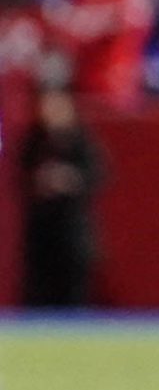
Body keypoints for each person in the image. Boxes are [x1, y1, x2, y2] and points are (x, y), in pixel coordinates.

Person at [20, 84, 104, 307]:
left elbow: (97, 174)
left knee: (73, 290)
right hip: (42, 230)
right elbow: (22, 176)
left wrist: (69, 179)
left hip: (72, 228)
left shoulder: (80, 140)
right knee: (40, 289)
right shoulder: (35, 141)